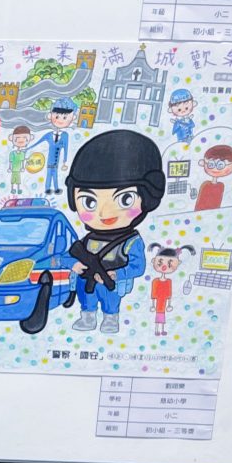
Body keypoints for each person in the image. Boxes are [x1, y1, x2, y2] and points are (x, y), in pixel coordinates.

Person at [62, 126, 165, 335]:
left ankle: (110, 318)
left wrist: (116, 274)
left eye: (125, 199)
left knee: (110, 303)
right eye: (89, 201)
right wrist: (74, 264)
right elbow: (67, 256)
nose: (105, 212)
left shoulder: (131, 241)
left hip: (112, 283)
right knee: (87, 300)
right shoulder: (87, 240)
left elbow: (138, 266)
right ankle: (87, 316)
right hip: (86, 280)